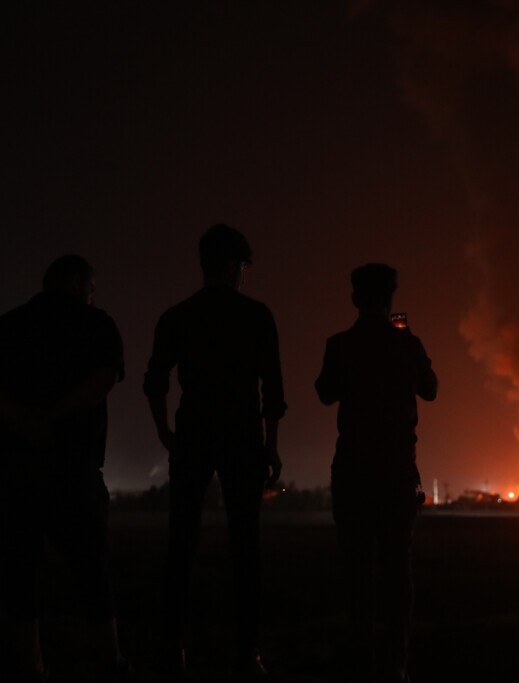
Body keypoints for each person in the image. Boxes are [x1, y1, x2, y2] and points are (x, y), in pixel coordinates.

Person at [0, 255, 131, 683]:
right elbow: (105, 378)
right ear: (78, 283)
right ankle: (109, 660)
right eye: (92, 288)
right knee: (93, 568)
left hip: (9, 467)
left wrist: (22, 420)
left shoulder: (5, 326)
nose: (93, 297)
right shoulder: (96, 325)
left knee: (18, 571)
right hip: (71, 467)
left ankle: (31, 663)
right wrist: (56, 417)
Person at [144, 224, 286, 680]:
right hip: (242, 437)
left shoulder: (176, 317)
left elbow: (155, 380)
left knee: (180, 543)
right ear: (231, 266)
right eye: (243, 266)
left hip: (193, 435)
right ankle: (247, 654)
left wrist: (165, 430)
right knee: (247, 546)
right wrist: (271, 445)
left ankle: (171, 648)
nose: (244, 274)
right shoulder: (257, 316)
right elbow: (274, 389)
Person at [315, 263, 438, 683]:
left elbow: (324, 392)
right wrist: (406, 342)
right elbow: (432, 388)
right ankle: (396, 661)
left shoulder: (341, 344)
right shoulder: (407, 344)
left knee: (356, 567)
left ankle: (360, 654)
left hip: (353, 470)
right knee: (397, 567)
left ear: (355, 298)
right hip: (398, 472)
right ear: (390, 299)